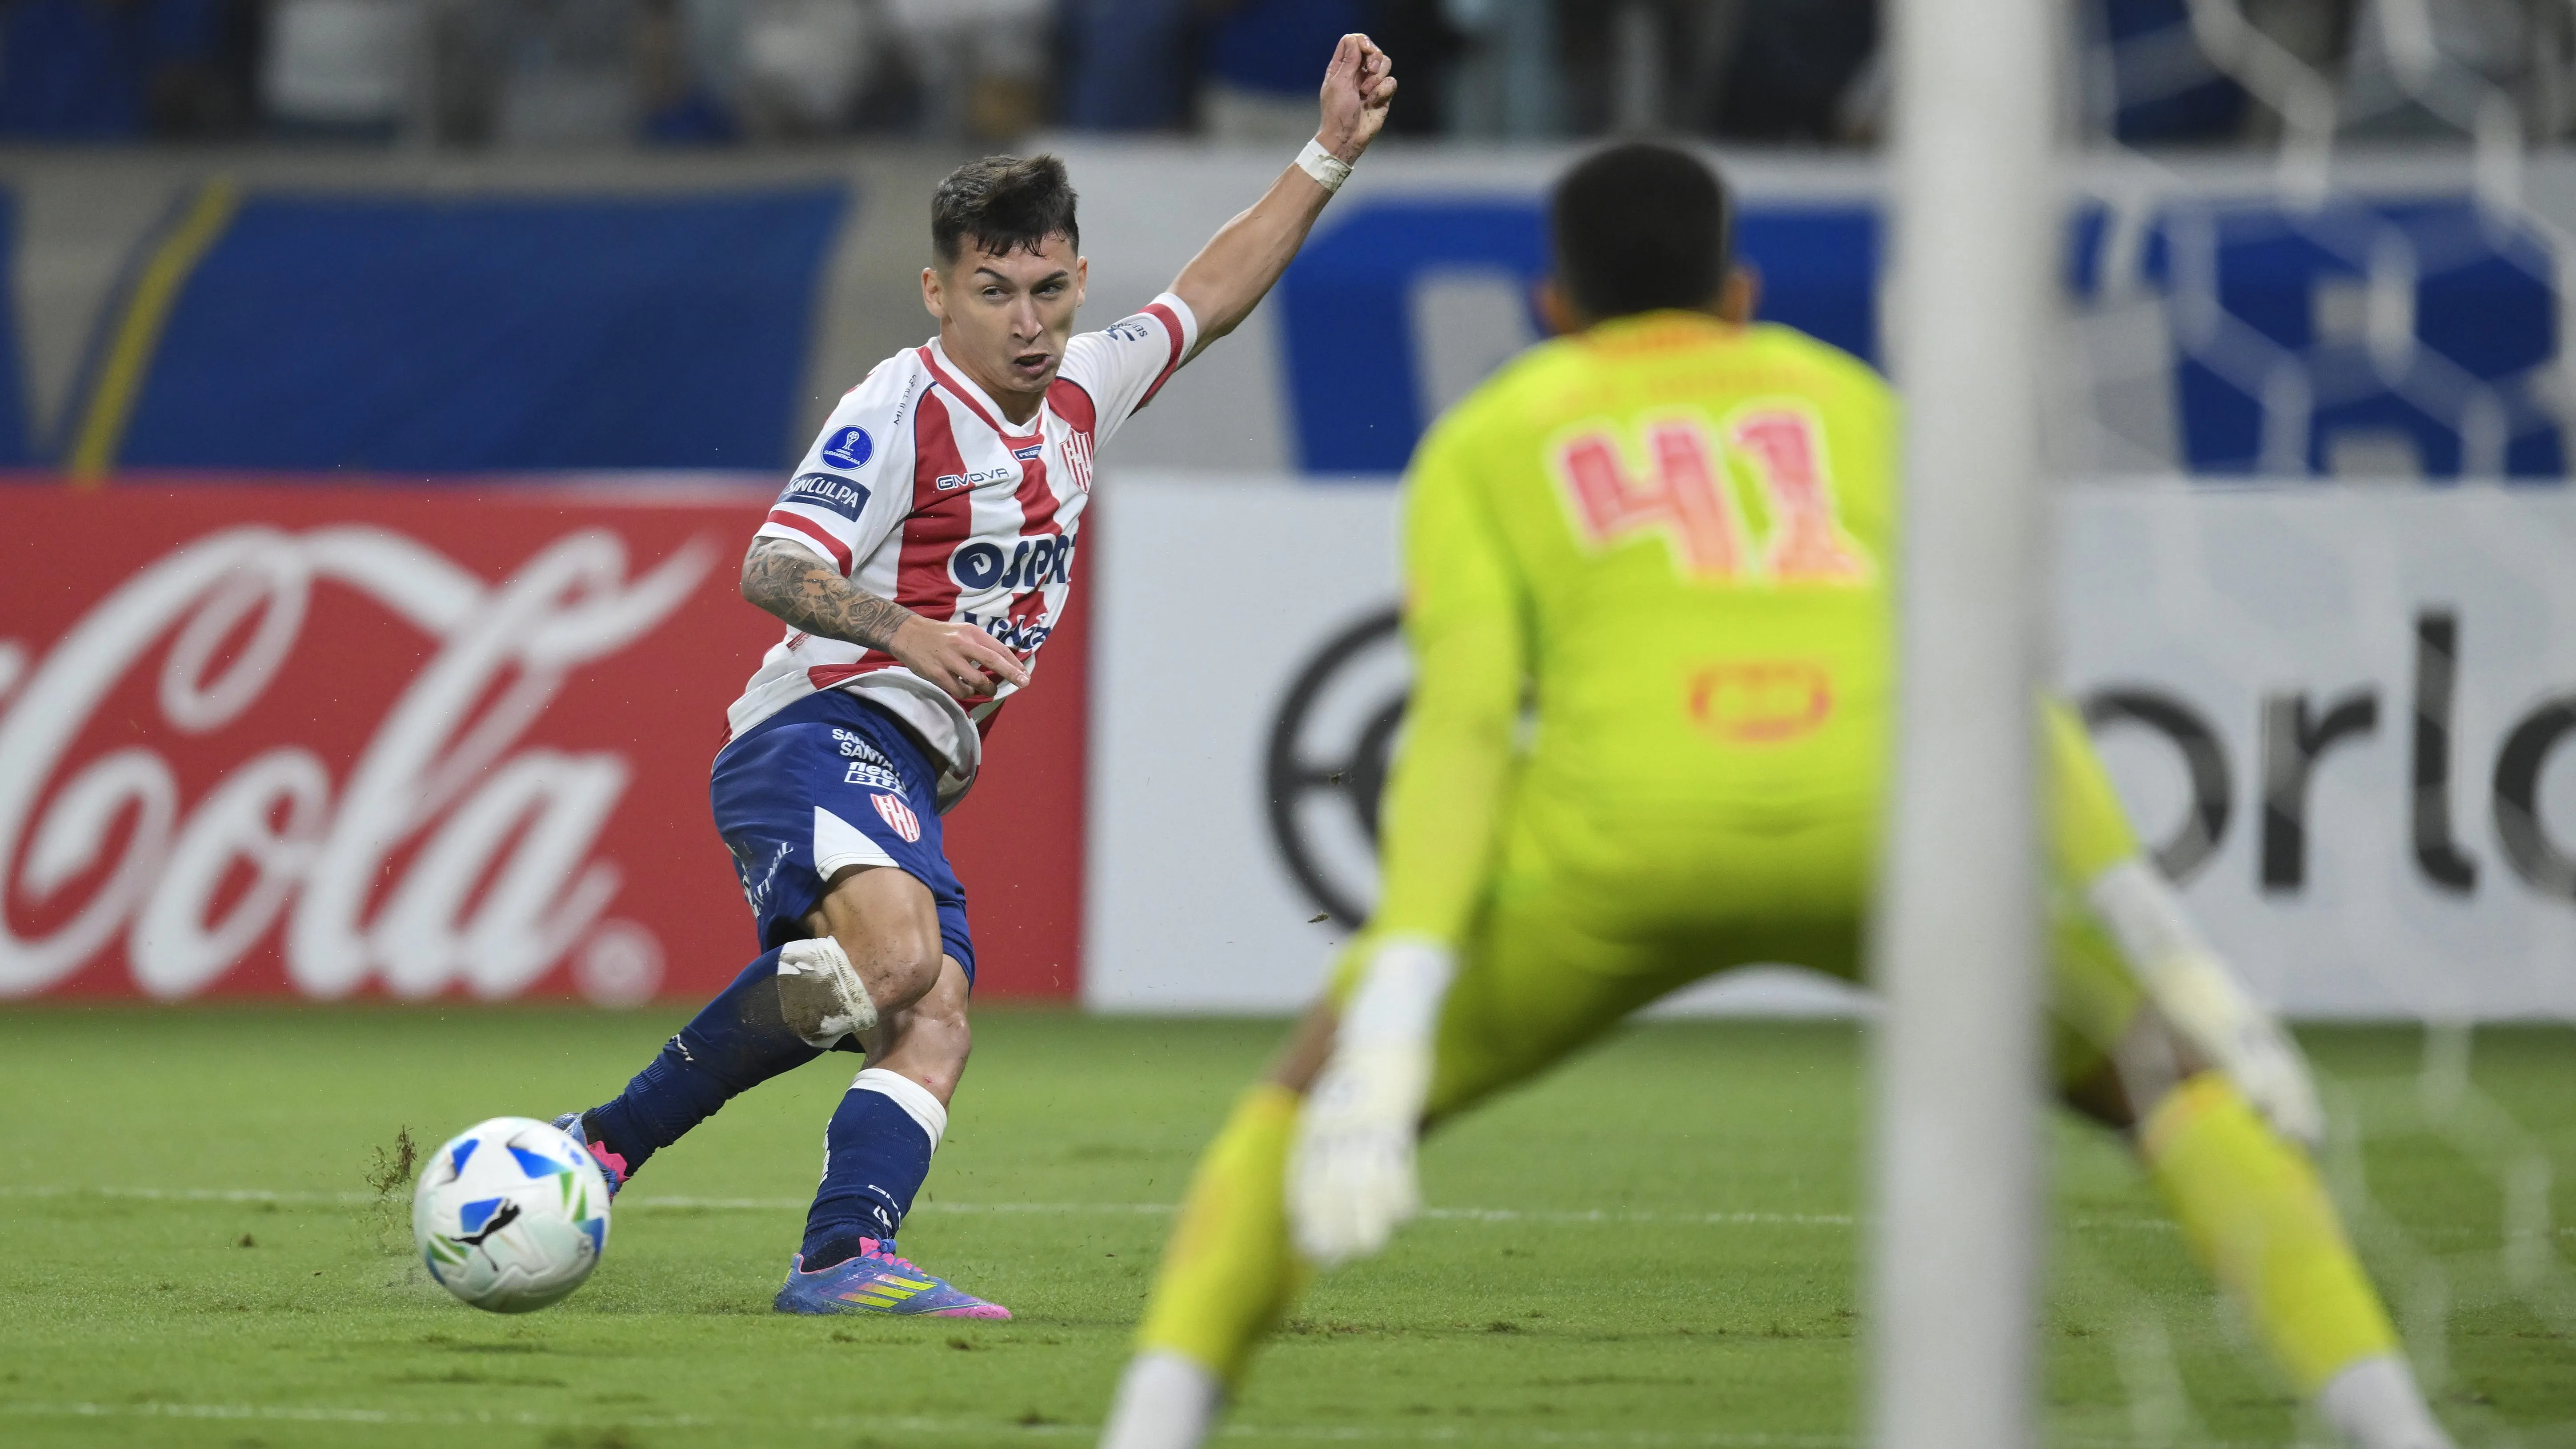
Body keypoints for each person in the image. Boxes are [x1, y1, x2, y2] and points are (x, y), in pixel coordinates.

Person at [1096, 141, 2458, 1449]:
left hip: (1613, 854)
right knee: (2174, 1089)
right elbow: (1995, 686)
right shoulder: (1853, 402)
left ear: (1551, 307)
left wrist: (1392, 1014)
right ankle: (2396, 1428)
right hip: (1888, 839)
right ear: (1739, 294)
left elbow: (1457, 732)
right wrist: (2168, 945)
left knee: (1295, 1099)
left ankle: (1149, 1429)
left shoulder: (1492, 438)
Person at [553, 34, 1398, 1320]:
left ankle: (842, 1260)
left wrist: (1326, 152)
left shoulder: (1081, 391)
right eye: (995, 291)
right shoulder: (898, 405)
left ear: (1076, 282)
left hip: (907, 763)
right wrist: (905, 633)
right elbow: (774, 567)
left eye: (1050, 291)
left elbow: (1210, 295)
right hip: (820, 726)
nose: (1029, 322)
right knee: (900, 965)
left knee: (934, 1015)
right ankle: (600, 1147)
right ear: (938, 292)